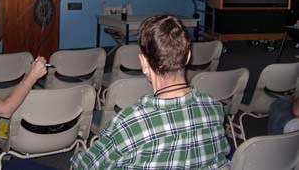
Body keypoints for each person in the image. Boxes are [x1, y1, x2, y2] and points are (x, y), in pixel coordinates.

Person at [71, 15, 230, 170]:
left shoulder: (130, 123)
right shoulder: (214, 108)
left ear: (143, 63)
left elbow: (85, 166)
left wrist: (77, 157)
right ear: (188, 56)